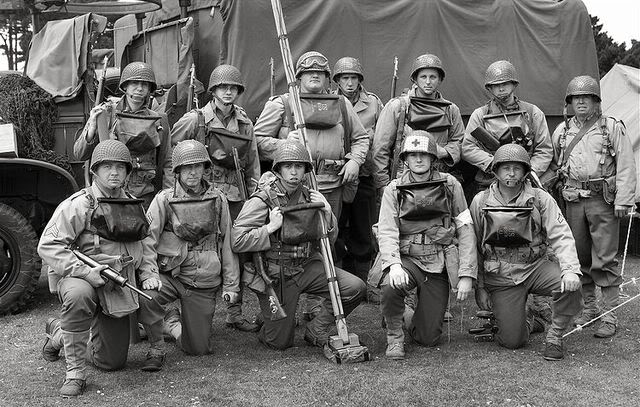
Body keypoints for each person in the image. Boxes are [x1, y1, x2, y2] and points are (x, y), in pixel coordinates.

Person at [40, 140, 160, 396]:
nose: (114, 173)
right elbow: (48, 245)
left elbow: (147, 244)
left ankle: (59, 334)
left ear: (128, 172)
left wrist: (149, 273)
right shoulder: (80, 204)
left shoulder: (134, 205)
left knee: (111, 362)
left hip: (117, 283)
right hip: (81, 277)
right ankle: (75, 373)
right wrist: (85, 272)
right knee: (78, 295)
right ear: (94, 171)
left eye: (120, 167)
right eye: (107, 167)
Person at [230, 140, 366, 351]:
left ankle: (316, 328)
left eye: (299, 166)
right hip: (278, 273)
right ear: (278, 169)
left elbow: (328, 241)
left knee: (355, 288)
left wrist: (327, 213)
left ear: (305, 170)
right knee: (279, 342)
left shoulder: (311, 195)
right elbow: (237, 240)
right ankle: (269, 318)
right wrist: (269, 228)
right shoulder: (263, 199)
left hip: (308, 265)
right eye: (288, 166)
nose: (293, 172)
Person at [470, 143, 583, 360]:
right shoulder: (481, 201)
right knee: (512, 341)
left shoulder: (540, 198)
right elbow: (474, 246)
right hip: (500, 274)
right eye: (506, 168)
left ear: (525, 171)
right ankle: (529, 320)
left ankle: (555, 335)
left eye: (517, 168)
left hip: (535, 267)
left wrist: (570, 270)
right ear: (496, 170)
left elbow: (561, 234)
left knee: (571, 285)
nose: (511, 173)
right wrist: (480, 286)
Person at [170, 64, 259, 332]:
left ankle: (234, 311)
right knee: (194, 248)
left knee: (235, 252)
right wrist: (175, 192)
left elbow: (252, 161)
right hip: (200, 196)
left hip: (235, 196)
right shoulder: (195, 120)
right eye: (223, 87)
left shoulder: (244, 123)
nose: (228, 92)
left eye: (233, 88)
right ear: (213, 90)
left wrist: (254, 195)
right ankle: (185, 308)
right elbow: (173, 154)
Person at [545, 75, 636, 338]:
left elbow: (626, 165)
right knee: (579, 256)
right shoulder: (562, 131)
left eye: (587, 97)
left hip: (603, 201)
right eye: (576, 98)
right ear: (570, 102)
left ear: (597, 101)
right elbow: (555, 166)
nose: (581, 102)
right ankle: (590, 308)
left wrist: (623, 200)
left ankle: (609, 314)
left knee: (605, 259)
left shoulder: (611, 128)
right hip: (573, 200)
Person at [373, 130, 477, 360]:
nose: (418, 159)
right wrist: (393, 265)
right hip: (407, 258)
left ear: (432, 158)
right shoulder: (393, 189)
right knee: (390, 285)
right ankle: (394, 336)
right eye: (413, 155)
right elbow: (387, 230)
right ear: (405, 159)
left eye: (423, 154)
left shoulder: (451, 185)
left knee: (428, 337)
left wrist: (466, 273)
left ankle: (404, 314)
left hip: (437, 261)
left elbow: (465, 227)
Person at [137, 140, 240, 370]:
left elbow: (228, 244)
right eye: (186, 167)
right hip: (171, 275)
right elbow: (147, 241)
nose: (192, 172)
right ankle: (156, 347)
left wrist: (231, 285)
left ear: (205, 168)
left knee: (198, 348)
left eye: (197, 166)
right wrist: (149, 274)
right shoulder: (164, 199)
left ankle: (171, 324)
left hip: (203, 280)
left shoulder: (218, 199)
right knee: (147, 296)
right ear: (178, 171)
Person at [253, 51, 369, 220]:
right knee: (294, 231)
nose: (315, 75)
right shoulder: (282, 104)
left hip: (332, 184)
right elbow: (256, 141)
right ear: (299, 76)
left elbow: (361, 138)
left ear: (327, 76)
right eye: (309, 71)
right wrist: (284, 145)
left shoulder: (341, 104)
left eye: (320, 72)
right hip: (292, 186)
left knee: (329, 230)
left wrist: (355, 161)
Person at [74, 61, 172, 208]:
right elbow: (79, 154)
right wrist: (92, 129)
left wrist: (168, 198)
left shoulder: (159, 121)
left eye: (144, 85)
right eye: (134, 83)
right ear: (125, 86)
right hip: (106, 195)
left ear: (149, 89)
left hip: (143, 197)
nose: (139, 89)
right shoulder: (106, 113)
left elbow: (167, 162)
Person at [371, 53, 465, 190]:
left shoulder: (451, 110)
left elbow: (460, 142)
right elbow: (380, 148)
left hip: (438, 179)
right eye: (423, 77)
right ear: (415, 79)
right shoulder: (398, 106)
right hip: (403, 180)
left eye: (433, 77)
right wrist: (383, 185)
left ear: (440, 79)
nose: (428, 82)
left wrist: (444, 152)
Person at [462, 60, 552, 196]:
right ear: (489, 88)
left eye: (505, 84)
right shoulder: (480, 115)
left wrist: (528, 170)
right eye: (496, 85)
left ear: (513, 84)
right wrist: (494, 164)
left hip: (525, 181)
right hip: (490, 181)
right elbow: (468, 147)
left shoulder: (533, 112)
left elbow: (544, 149)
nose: (501, 89)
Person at [331, 56, 384, 281]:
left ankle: (363, 281)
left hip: (364, 174)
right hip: (336, 175)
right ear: (337, 80)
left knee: (364, 228)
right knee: (335, 227)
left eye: (354, 78)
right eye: (345, 78)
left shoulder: (373, 103)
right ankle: (339, 280)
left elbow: (383, 138)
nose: (350, 83)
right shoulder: (328, 101)